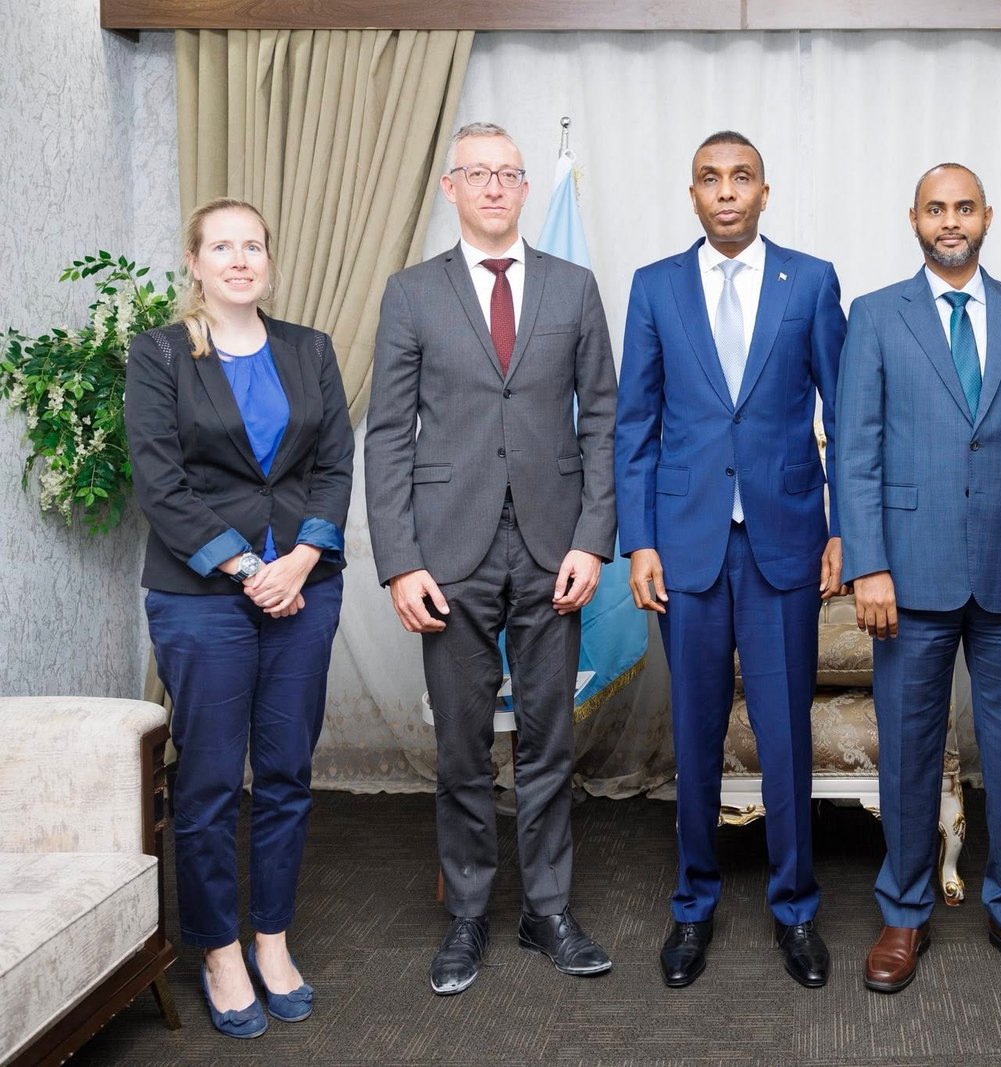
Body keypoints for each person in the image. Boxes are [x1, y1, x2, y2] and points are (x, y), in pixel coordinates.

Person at [365, 122, 618, 995]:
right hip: (448, 551)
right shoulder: (411, 293)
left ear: (523, 186)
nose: (496, 187)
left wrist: (593, 538)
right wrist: (399, 561)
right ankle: (468, 913)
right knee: (462, 748)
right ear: (451, 187)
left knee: (550, 742)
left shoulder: (573, 286)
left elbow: (603, 418)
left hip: (555, 549)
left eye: (509, 173)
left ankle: (547, 909)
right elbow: (388, 433)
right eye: (479, 174)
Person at [837, 163, 1001, 994]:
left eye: (964, 208)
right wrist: (869, 564)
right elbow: (856, 452)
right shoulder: (875, 315)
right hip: (908, 575)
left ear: (988, 216)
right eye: (936, 209)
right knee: (908, 751)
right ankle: (904, 911)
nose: (951, 221)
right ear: (913, 219)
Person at [614, 131, 845, 989]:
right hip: (686, 546)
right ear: (693, 194)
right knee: (697, 732)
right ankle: (693, 903)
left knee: (785, 736)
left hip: (785, 541)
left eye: (740, 177)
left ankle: (796, 907)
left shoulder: (810, 281)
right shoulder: (655, 287)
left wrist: (845, 530)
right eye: (710, 179)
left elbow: (845, 412)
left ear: (763, 191)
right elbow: (634, 425)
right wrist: (640, 539)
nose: (725, 191)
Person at [127, 197, 354, 1037]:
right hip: (201, 597)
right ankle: (219, 949)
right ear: (194, 262)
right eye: (221, 246)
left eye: (252, 245)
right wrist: (252, 567)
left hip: (305, 589)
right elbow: (160, 481)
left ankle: (272, 940)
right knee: (212, 780)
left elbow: (335, 465)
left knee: (288, 772)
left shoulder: (310, 349)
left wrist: (301, 559)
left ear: (269, 259)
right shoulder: (159, 354)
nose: (239, 259)